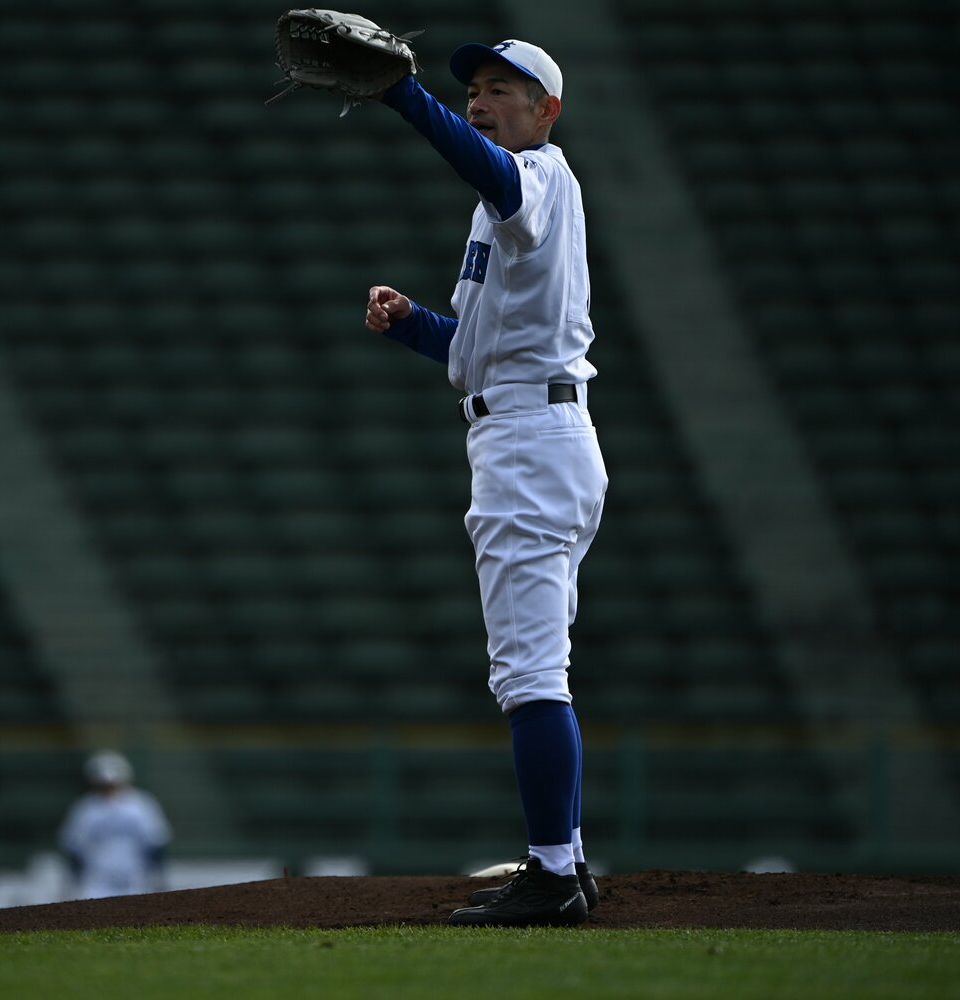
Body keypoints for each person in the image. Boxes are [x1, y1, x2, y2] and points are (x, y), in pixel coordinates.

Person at [362, 39, 608, 927]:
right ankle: (567, 862)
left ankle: (549, 875)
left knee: (531, 676)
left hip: (531, 446)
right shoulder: (507, 209)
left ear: (546, 110)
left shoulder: (536, 173)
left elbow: (495, 172)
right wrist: (414, 326)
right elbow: (478, 353)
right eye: (472, 89)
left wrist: (404, 96)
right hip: (532, 429)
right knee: (539, 669)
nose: (480, 100)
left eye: (503, 89)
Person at [58, 750, 172, 899]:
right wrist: (73, 882)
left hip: (136, 877)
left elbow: (155, 842)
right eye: (104, 784)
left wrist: (158, 877)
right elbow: (74, 847)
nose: (109, 788)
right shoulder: (86, 808)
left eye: (113, 783)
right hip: (96, 879)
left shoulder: (141, 805)